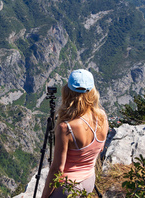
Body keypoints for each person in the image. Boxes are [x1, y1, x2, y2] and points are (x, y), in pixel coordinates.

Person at [41, 69, 108, 198]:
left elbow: (57, 169)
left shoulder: (66, 128)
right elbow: (99, 150)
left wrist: (44, 196)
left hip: (68, 188)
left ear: (67, 91)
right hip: (89, 181)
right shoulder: (102, 117)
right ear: (92, 92)